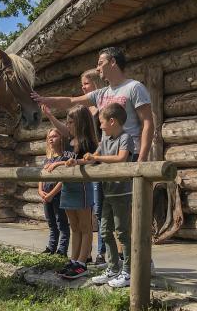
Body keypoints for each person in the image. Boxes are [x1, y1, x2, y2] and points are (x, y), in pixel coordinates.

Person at [32, 46, 153, 164]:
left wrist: (141, 158)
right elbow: (70, 101)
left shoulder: (134, 87)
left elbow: (147, 122)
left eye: (100, 63)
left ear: (113, 62)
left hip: (130, 156)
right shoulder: (100, 93)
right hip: (106, 158)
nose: (97, 68)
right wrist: (43, 99)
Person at [68, 103, 134, 288]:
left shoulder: (125, 138)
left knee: (122, 232)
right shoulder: (105, 140)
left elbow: (121, 158)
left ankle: (128, 271)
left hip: (122, 192)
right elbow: (92, 157)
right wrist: (78, 161)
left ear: (112, 121)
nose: (101, 126)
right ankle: (113, 268)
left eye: (102, 122)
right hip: (108, 192)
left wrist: (96, 158)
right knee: (105, 231)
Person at [43, 105, 97, 279]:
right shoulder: (69, 141)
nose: (68, 125)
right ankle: (73, 259)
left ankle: (82, 262)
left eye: (71, 122)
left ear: (80, 123)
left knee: (85, 226)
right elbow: (61, 129)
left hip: (81, 187)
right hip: (68, 188)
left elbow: (86, 161)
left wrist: (59, 164)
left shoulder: (87, 142)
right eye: (67, 122)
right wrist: (51, 116)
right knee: (74, 226)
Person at [79, 69, 108, 266]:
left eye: (86, 84)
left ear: (96, 85)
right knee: (87, 211)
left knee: (100, 211)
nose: (83, 88)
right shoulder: (85, 111)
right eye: (82, 85)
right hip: (85, 165)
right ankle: (86, 253)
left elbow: (104, 139)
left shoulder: (104, 110)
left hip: (99, 164)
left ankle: (102, 253)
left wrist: (95, 155)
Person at [38, 128, 70, 256]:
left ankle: (62, 250)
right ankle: (51, 247)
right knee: (51, 223)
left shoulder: (64, 157)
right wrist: (40, 190)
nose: (51, 139)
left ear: (61, 138)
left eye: (54, 136)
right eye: (49, 137)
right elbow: (41, 176)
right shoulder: (47, 159)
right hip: (46, 195)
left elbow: (63, 180)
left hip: (58, 196)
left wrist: (52, 194)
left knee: (61, 223)